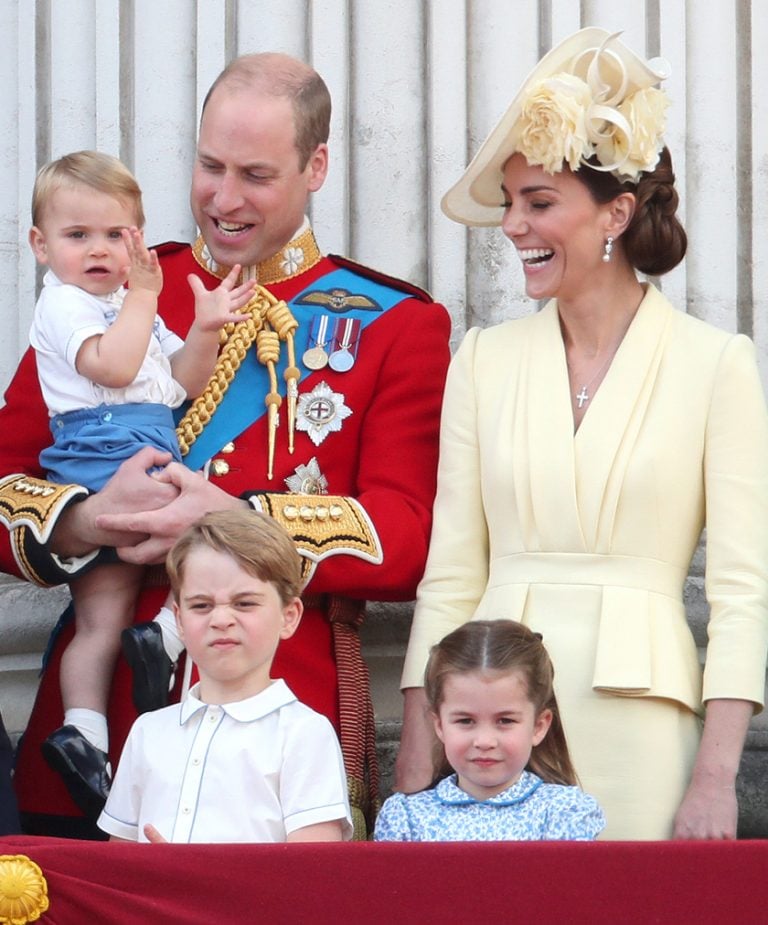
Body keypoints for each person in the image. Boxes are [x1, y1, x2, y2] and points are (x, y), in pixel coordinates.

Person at [0, 52, 451, 839]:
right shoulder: (115, 283)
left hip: (278, 749)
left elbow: (409, 536)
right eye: (209, 166)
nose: (224, 197)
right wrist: (85, 519)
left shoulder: (395, 324)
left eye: (255, 174)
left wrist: (240, 521)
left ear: (316, 166)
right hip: (95, 737)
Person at [395, 28, 768, 840]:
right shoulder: (483, 358)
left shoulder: (719, 364)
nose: (513, 227)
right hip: (488, 723)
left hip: (644, 726)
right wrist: (417, 757)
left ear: (617, 212)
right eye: (510, 204)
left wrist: (716, 777)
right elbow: (450, 571)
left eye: (539, 203)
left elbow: (744, 594)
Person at [25, 151, 254, 819]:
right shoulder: (67, 305)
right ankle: (165, 636)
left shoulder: (124, 302)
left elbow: (177, 381)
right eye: (77, 235)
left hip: (139, 433)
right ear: (41, 245)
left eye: (115, 235)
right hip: (107, 450)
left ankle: (85, 737)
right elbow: (118, 366)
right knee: (213, 530)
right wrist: (149, 296)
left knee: (99, 621)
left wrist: (206, 327)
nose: (99, 251)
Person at [98, 509, 352, 843]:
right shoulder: (148, 731)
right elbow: (119, 864)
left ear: (288, 617)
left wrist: (195, 880)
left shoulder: (304, 733)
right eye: (201, 606)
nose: (220, 619)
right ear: (179, 620)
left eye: (244, 603)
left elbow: (313, 873)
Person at [375, 620, 603, 841]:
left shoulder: (564, 812)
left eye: (505, 721)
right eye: (465, 721)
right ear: (439, 725)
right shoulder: (406, 817)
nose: (484, 741)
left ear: (538, 726)